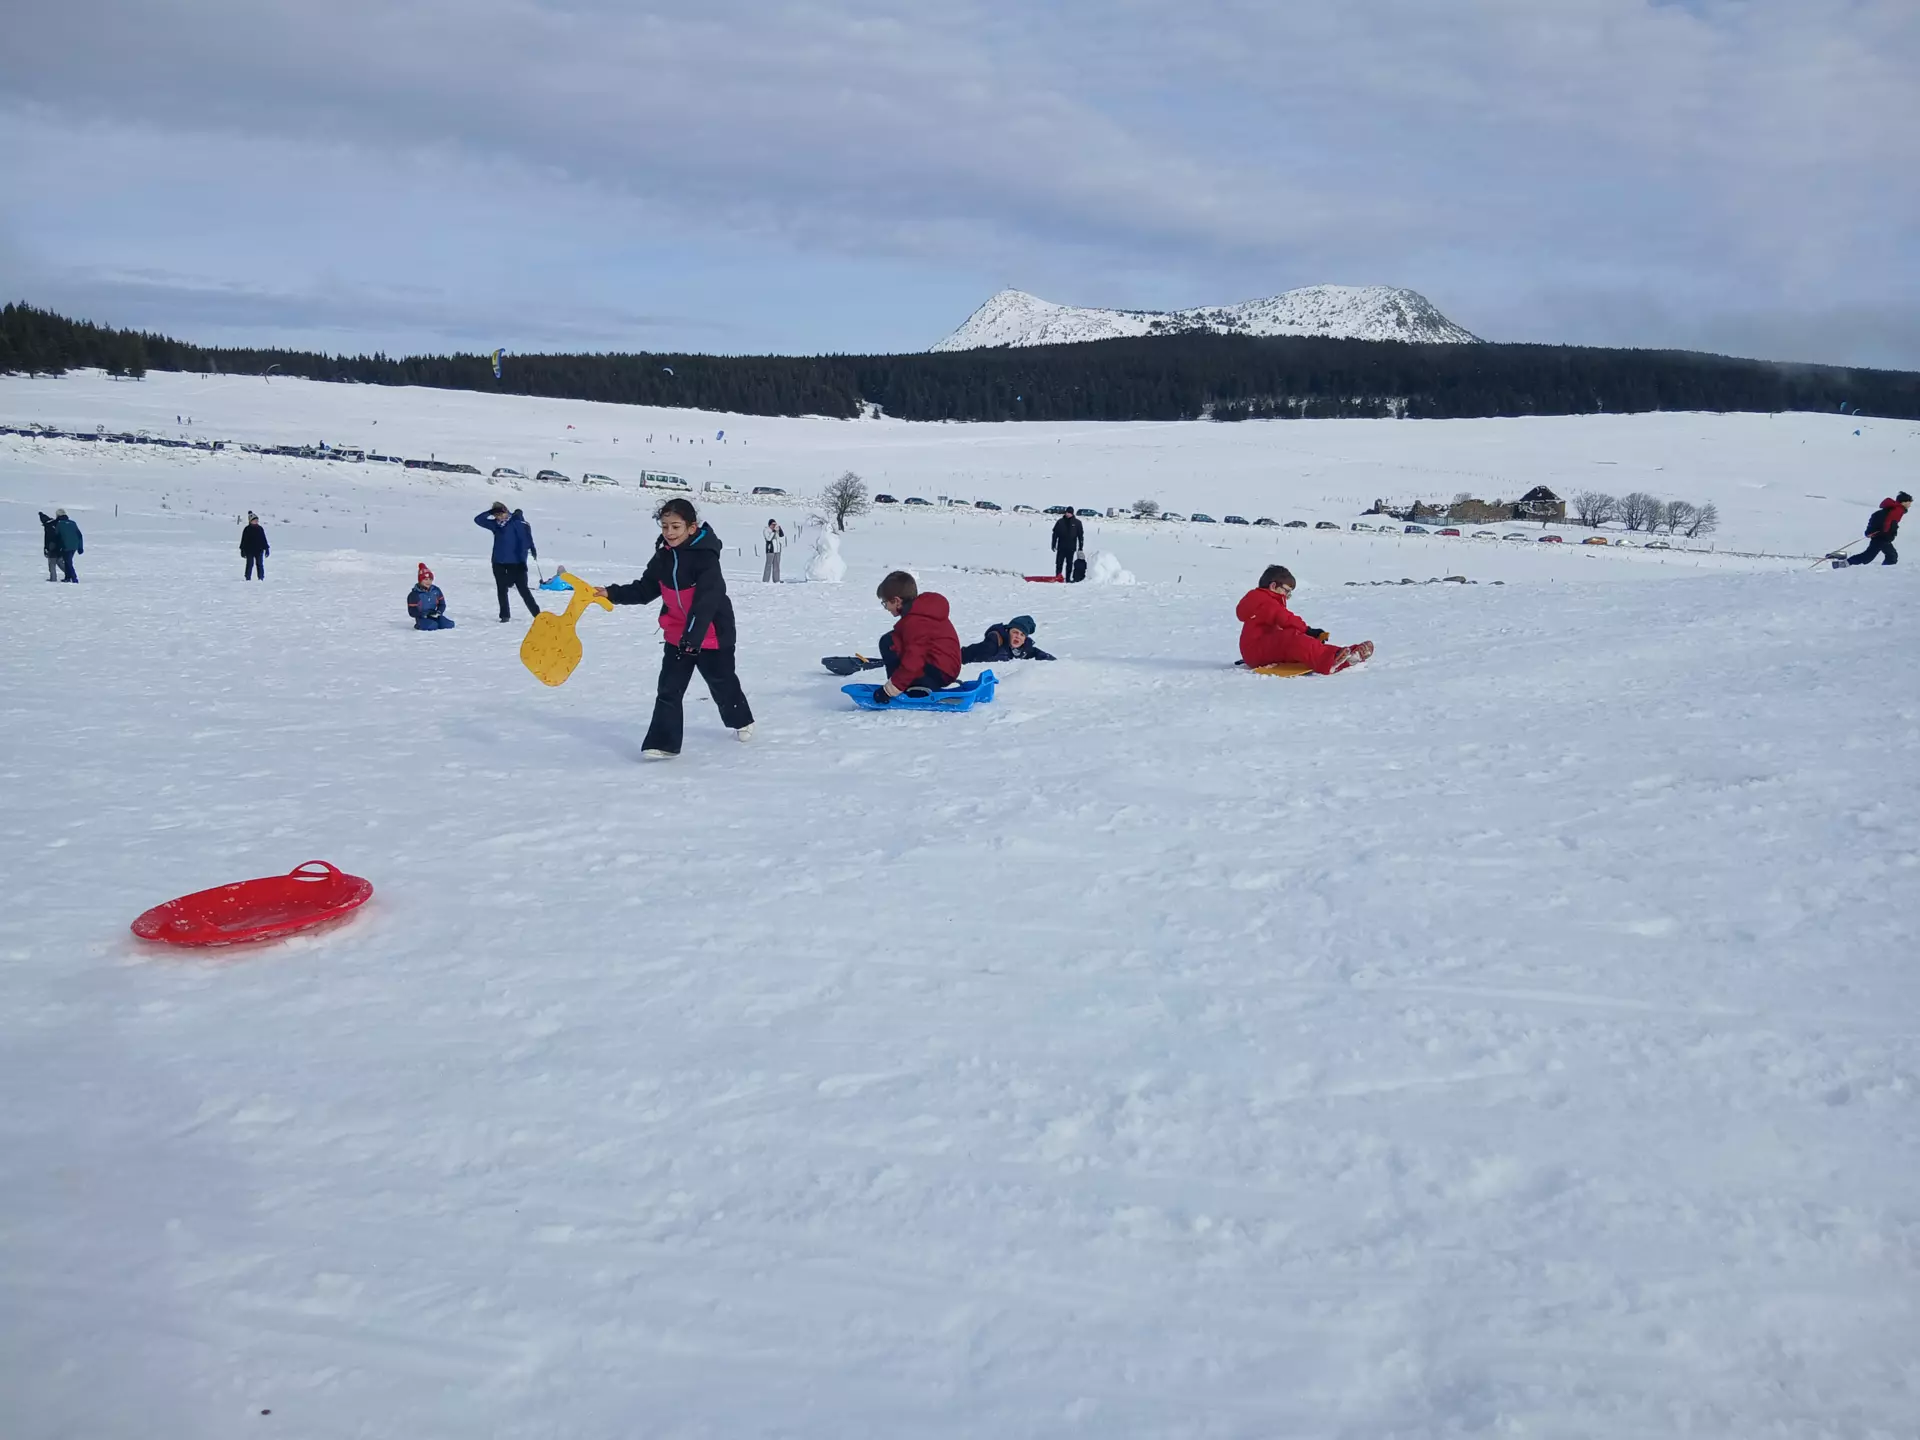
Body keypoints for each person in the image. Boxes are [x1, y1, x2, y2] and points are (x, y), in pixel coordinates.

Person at [592, 499, 754, 757]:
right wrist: (611, 593)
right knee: (669, 688)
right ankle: (662, 744)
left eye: (676, 526)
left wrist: (694, 637)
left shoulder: (706, 558)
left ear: (692, 528)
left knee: (722, 683)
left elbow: (706, 602)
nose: (669, 532)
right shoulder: (663, 557)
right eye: (665, 526)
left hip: (711, 633)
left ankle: (741, 719)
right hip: (678, 634)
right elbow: (645, 589)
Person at [1236, 565, 1373, 675]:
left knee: (1296, 639)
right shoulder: (1263, 600)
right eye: (1286, 591)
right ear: (1273, 586)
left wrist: (1307, 634)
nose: (1287, 595)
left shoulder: (1263, 600)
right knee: (1291, 638)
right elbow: (1285, 618)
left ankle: (1347, 654)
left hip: (1262, 648)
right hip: (1257, 650)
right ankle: (1328, 661)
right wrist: (1308, 630)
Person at [871, 570, 961, 702]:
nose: (886, 608)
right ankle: (908, 683)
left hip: (938, 671)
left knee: (889, 642)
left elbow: (914, 657)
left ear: (896, 601)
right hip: (944, 668)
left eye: (885, 603)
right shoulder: (921, 613)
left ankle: (913, 687)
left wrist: (889, 690)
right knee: (895, 638)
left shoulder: (915, 622)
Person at [474, 502, 542, 622]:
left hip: (515, 563)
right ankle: (504, 615)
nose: (499, 517)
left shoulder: (517, 523)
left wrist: (523, 562)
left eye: (501, 514)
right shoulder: (496, 525)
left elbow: (525, 542)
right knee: (501, 588)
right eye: (496, 515)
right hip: (498, 561)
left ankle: (537, 614)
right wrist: (490, 512)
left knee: (523, 589)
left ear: (506, 511)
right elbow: (478, 520)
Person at [959, 614, 1056, 665]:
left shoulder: (1024, 649)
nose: (1018, 636)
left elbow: (1036, 653)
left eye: (1022, 635)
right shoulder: (995, 640)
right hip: (958, 657)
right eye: (1015, 632)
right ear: (1008, 632)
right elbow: (982, 660)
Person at [1848, 491, 1910, 567]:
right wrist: (1888, 534)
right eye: (1909, 502)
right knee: (1868, 557)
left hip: (1881, 536)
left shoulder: (1890, 509)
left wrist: (1870, 532)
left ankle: (1886, 570)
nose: (1909, 505)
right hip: (1882, 537)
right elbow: (1889, 522)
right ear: (1903, 502)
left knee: (1891, 556)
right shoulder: (1897, 510)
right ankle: (1846, 563)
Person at [407, 563, 455, 629]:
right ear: (420, 580)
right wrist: (423, 614)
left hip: (434, 615)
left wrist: (439, 612)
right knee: (432, 626)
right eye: (425, 579)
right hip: (422, 617)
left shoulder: (436, 591)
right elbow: (412, 611)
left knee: (448, 624)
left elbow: (442, 604)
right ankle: (419, 625)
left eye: (430, 579)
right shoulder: (414, 594)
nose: (428, 582)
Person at [49, 508, 83, 583]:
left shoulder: (59, 524)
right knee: (67, 561)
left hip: (65, 546)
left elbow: (57, 536)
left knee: (68, 562)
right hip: (74, 545)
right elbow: (79, 535)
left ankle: (74, 578)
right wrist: (80, 547)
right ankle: (67, 577)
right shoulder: (73, 523)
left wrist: (55, 547)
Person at [1051, 509, 1084, 580]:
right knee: (1059, 563)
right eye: (1067, 512)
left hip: (1071, 547)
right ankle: (1058, 577)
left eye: (1070, 513)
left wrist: (1081, 547)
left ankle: (1068, 578)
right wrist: (1053, 544)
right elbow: (1055, 534)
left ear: (1072, 513)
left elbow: (1080, 536)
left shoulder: (1077, 523)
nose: (1068, 514)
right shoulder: (1060, 522)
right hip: (1061, 546)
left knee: (1069, 564)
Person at [240, 512, 270, 581]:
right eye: (254, 520)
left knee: (259, 564)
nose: (256, 521)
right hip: (249, 550)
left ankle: (261, 577)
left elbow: (263, 539)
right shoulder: (247, 529)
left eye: (257, 520)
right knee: (250, 564)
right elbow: (243, 540)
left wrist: (266, 548)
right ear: (250, 521)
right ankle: (247, 577)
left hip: (259, 550)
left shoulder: (260, 529)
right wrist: (242, 550)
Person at [38, 511, 62, 581]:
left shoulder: (48, 526)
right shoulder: (56, 523)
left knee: (52, 563)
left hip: (52, 546)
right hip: (59, 546)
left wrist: (46, 548)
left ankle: (53, 578)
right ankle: (69, 574)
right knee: (59, 562)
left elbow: (47, 539)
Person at [762, 518, 785, 582]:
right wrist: (773, 532)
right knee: (768, 565)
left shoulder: (776, 530)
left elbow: (781, 535)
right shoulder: (766, 530)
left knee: (776, 566)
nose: (773, 526)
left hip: (777, 550)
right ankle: (765, 580)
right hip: (770, 550)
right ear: (769, 525)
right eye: (772, 524)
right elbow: (769, 539)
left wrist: (779, 529)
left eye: (775, 524)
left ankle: (776, 580)